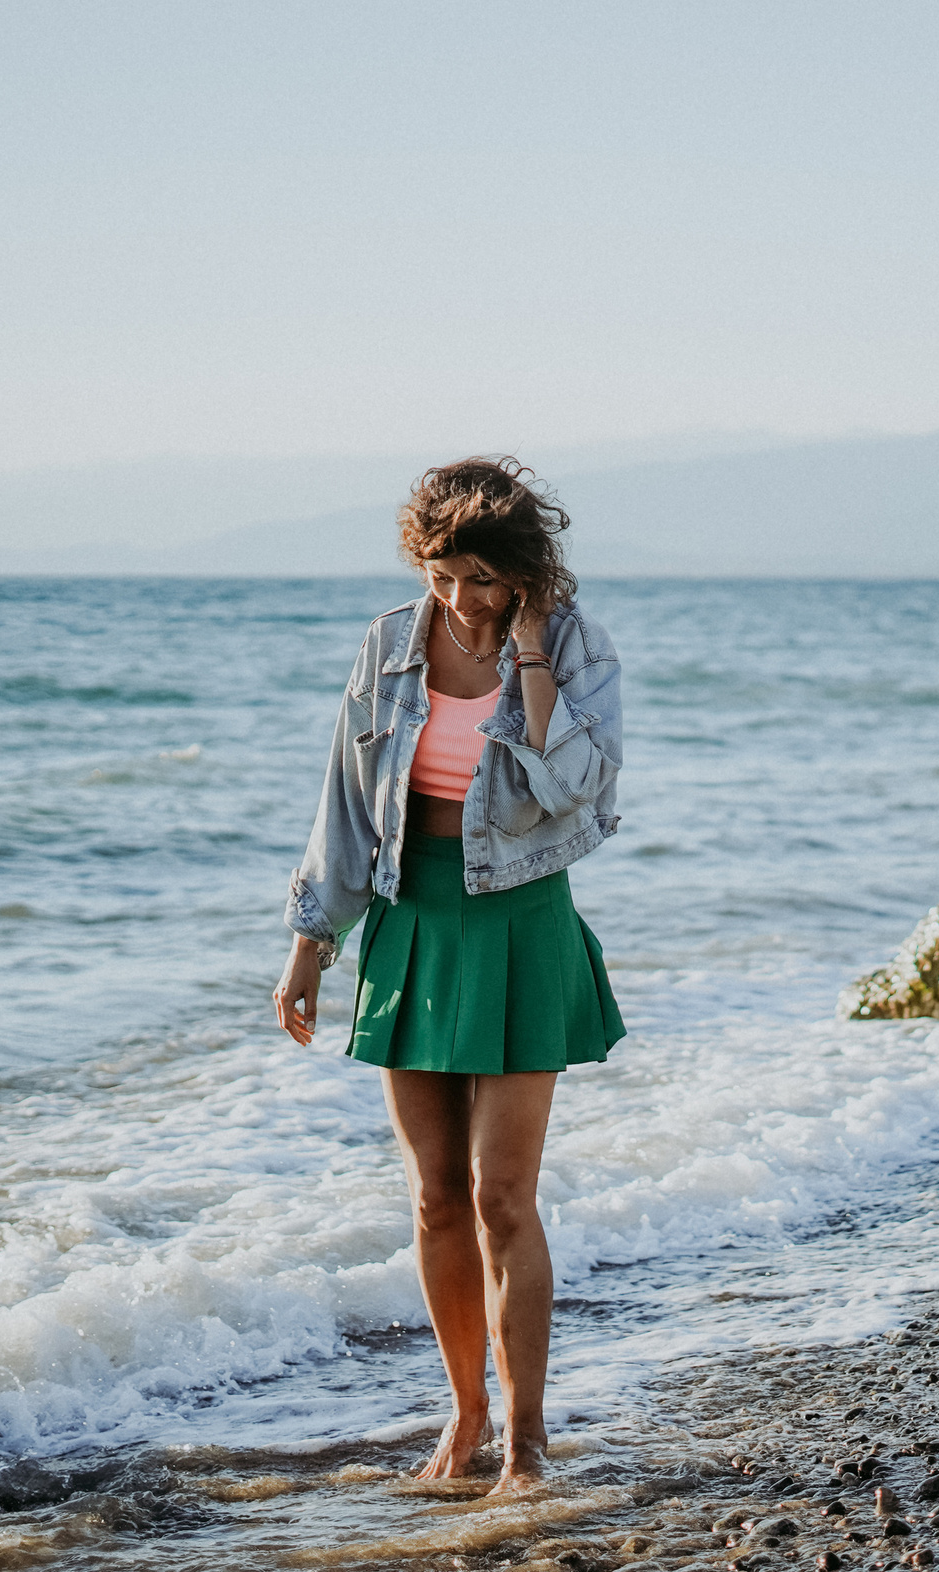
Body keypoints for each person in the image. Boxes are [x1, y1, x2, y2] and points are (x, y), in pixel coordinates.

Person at [273, 457, 625, 1496]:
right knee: (434, 1200)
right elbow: (344, 801)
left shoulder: (573, 644)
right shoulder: (387, 644)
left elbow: (584, 792)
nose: (459, 598)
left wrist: (528, 661)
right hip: (410, 917)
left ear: (521, 571)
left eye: (480, 577)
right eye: (441, 575)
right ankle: (464, 1419)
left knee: (502, 1198)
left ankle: (526, 1440)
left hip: (518, 920)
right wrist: (310, 944)